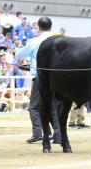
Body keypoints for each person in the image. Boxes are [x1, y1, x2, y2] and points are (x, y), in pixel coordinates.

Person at [15, 16, 61, 144]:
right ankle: (58, 135)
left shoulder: (34, 41)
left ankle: (37, 133)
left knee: (34, 107)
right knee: (53, 107)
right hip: (57, 78)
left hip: (41, 78)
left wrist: (18, 49)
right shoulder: (58, 40)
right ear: (50, 26)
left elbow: (19, 55)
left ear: (38, 27)